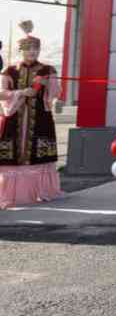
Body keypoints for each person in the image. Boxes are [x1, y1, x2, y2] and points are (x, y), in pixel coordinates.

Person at [1, 31, 65, 209]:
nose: (33, 53)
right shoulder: (9, 70)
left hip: (40, 118)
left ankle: (42, 192)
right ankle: (11, 195)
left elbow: (56, 93)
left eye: (36, 49)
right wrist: (20, 92)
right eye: (29, 49)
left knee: (39, 155)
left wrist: (48, 85)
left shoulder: (48, 70)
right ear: (20, 50)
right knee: (11, 156)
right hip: (14, 118)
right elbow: (1, 93)